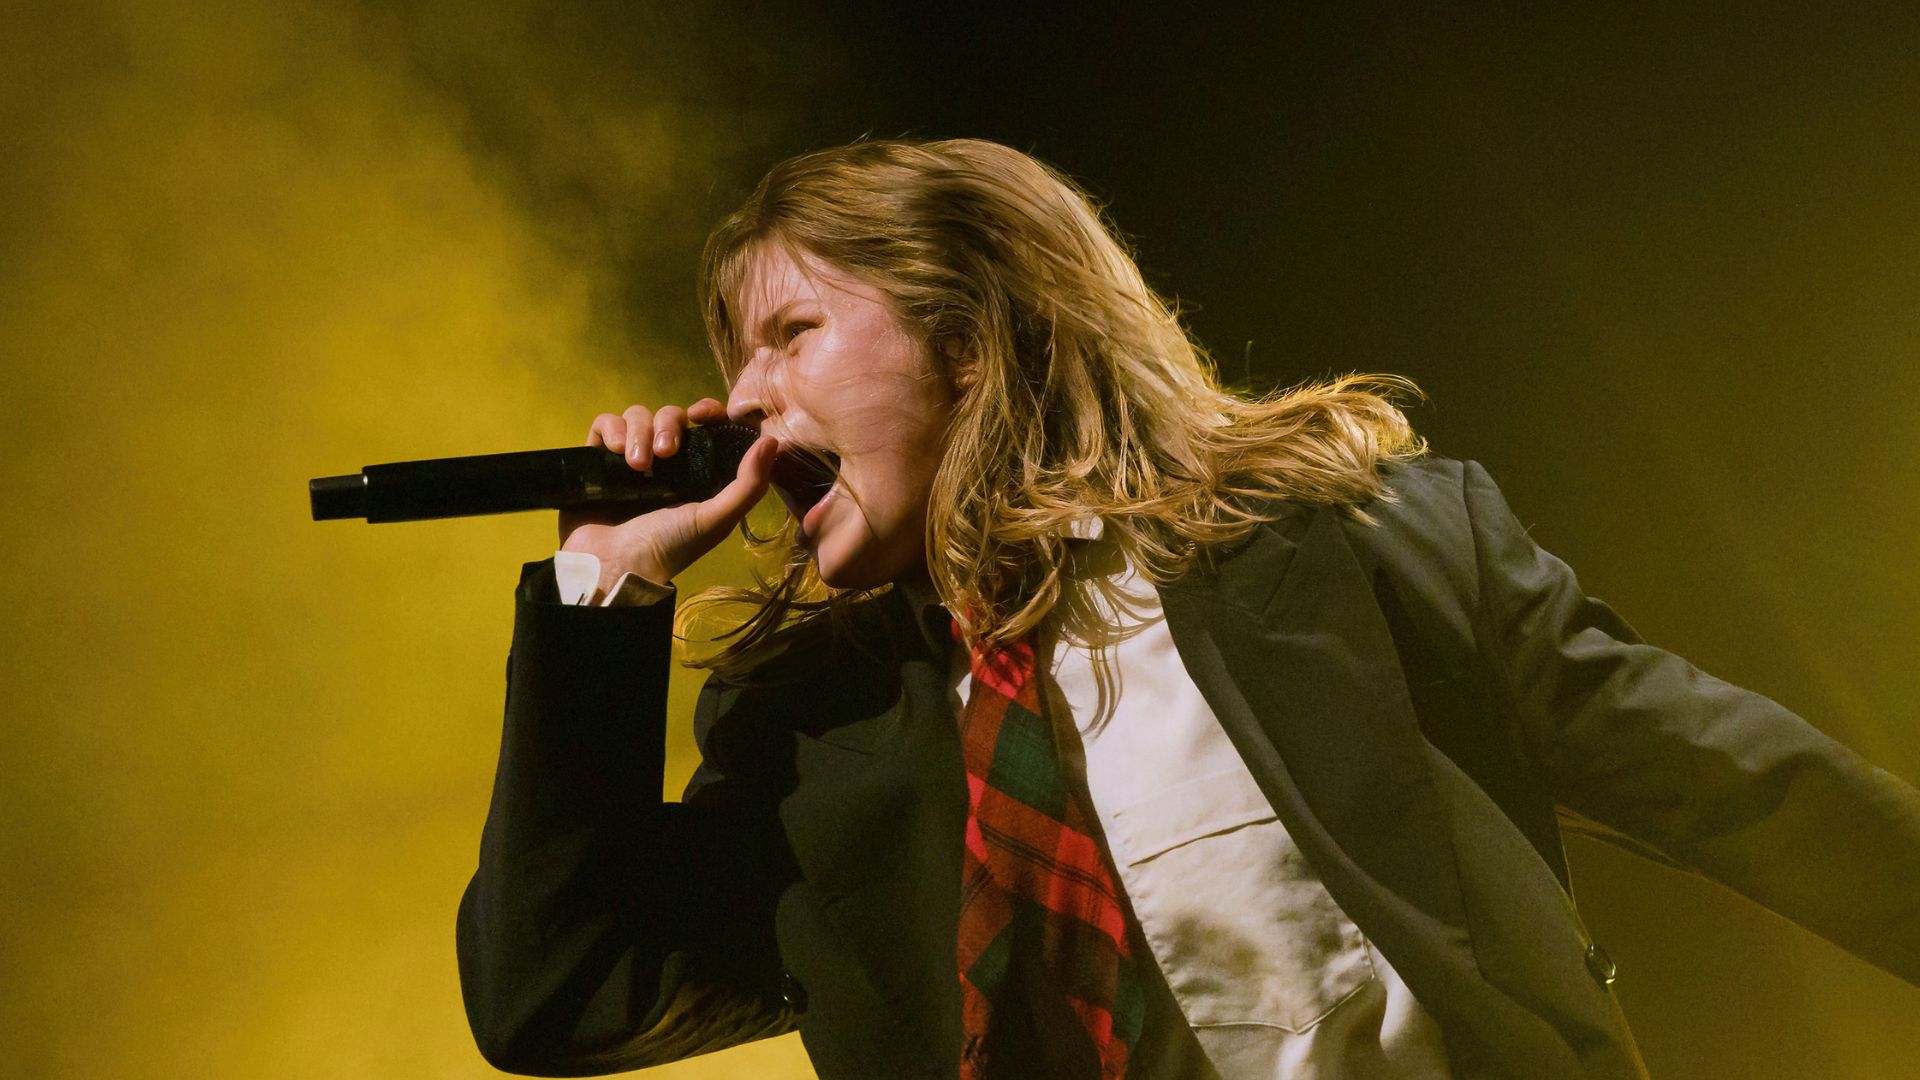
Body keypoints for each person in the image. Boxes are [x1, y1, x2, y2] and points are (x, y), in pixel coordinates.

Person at [455, 138, 1920, 1080]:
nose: (743, 404)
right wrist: (604, 583)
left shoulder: (1360, 553)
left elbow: (1736, 787)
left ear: (972, 337)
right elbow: (560, 995)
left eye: (791, 334)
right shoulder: (808, 731)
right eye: (733, 356)